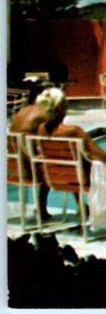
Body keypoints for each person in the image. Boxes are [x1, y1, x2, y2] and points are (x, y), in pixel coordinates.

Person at [34, 88, 106, 205]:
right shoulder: (73, 131)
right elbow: (102, 156)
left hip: (60, 178)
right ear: (62, 107)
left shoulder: (42, 129)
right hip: (85, 179)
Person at [9, 80, 53, 220]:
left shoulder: (20, 112)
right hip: (30, 169)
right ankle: (42, 209)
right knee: (62, 167)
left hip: (14, 167)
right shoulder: (42, 114)